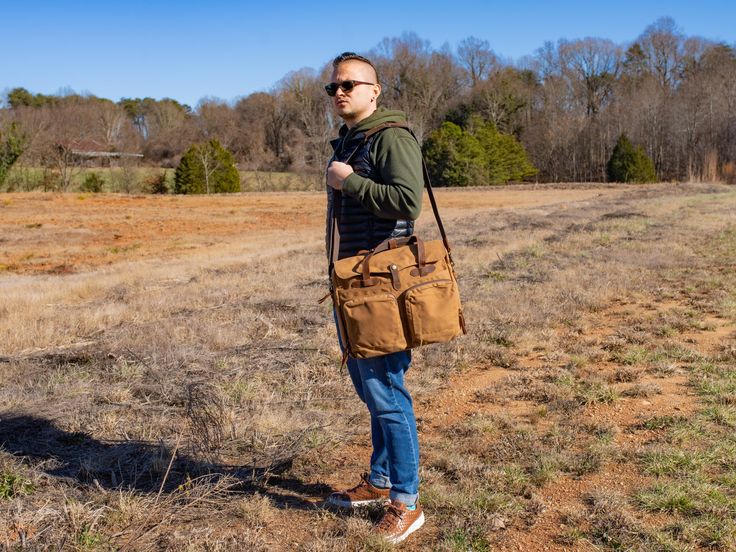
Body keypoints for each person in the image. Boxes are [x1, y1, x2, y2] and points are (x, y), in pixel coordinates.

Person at [323, 52, 425, 544]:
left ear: (374, 91)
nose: (339, 92)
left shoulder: (391, 137)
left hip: (382, 284)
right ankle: (380, 481)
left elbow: (409, 201)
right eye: (333, 87)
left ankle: (406, 501)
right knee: (371, 390)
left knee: (387, 393)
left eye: (349, 84)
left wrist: (350, 181)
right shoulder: (352, 138)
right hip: (354, 281)